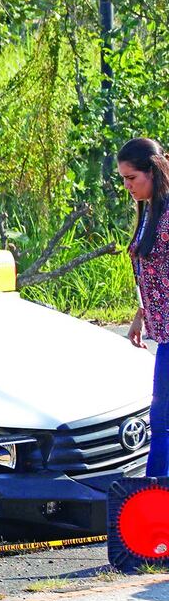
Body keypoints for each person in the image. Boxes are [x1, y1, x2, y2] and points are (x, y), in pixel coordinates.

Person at [121, 137, 169, 477]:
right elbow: (149, 273)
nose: (127, 186)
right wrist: (141, 315)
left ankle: (153, 494)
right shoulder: (150, 208)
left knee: (162, 419)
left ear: (152, 171)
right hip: (162, 330)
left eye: (132, 178)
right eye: (123, 179)